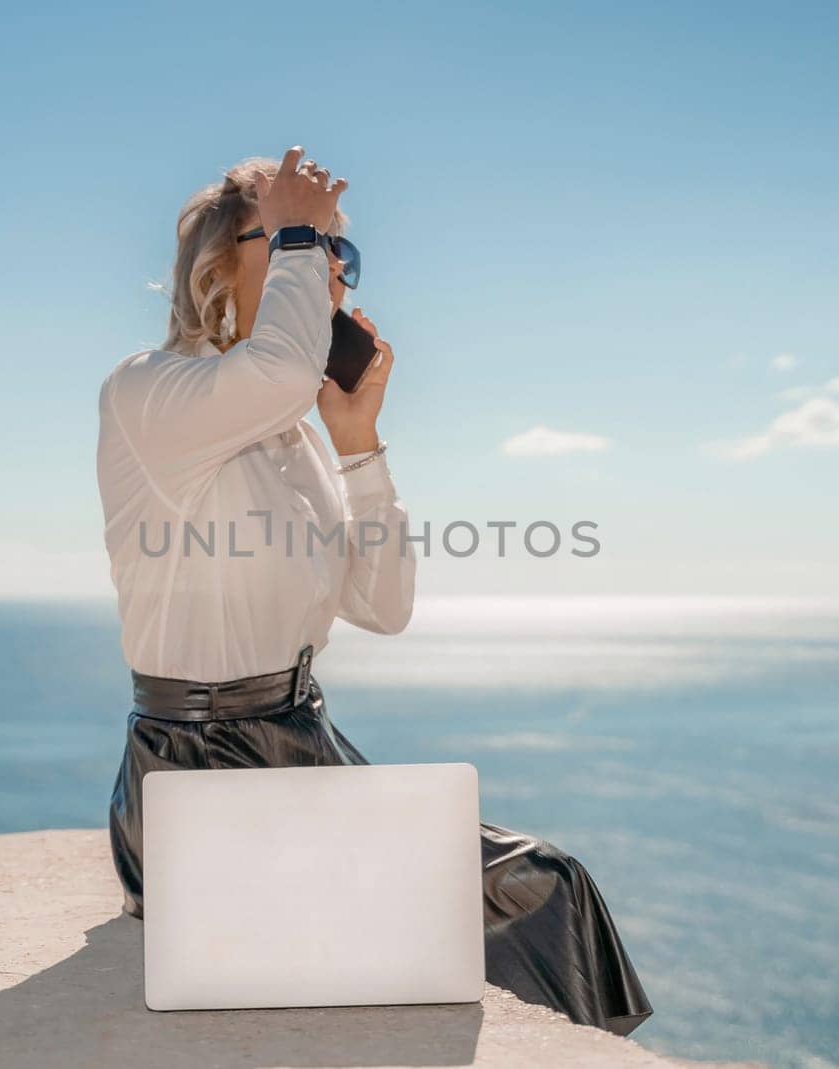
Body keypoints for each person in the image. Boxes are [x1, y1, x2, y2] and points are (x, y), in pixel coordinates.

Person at [95, 145, 652, 1036]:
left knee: (545, 888)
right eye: (298, 246)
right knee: (406, 938)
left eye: (340, 255)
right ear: (215, 267)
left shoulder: (297, 434)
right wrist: (303, 235)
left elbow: (384, 606)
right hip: (191, 769)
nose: (329, 274)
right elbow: (275, 372)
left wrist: (358, 446)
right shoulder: (147, 390)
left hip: (303, 745)